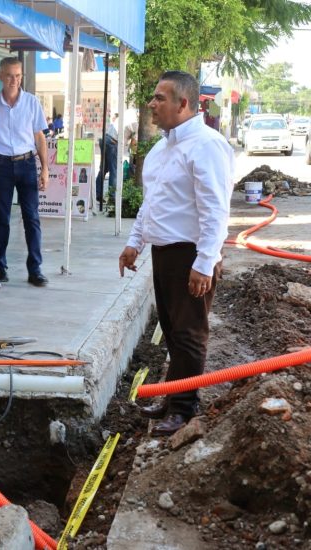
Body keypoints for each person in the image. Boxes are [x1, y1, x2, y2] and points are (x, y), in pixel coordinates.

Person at [119, 70, 234, 437]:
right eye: (153, 98)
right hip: (165, 253)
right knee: (170, 330)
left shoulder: (206, 145)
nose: (152, 104)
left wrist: (204, 261)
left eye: (160, 98)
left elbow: (216, 209)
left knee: (188, 333)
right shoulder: (162, 148)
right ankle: (172, 398)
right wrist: (135, 242)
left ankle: (185, 410)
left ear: (183, 103)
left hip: (191, 254)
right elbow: (153, 204)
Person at [0, 57, 49, 287]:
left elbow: (39, 137)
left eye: (18, 75)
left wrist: (44, 169)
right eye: (10, 75)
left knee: (31, 217)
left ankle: (35, 269)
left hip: (27, 164)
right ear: (1, 76)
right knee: (1, 218)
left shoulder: (32, 102)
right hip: (1, 165)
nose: (15, 80)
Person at [96, 113, 118, 210]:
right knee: (114, 170)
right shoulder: (134, 121)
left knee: (104, 169)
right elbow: (134, 142)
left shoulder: (123, 118)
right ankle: (112, 197)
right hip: (112, 142)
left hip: (105, 139)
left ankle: (98, 193)